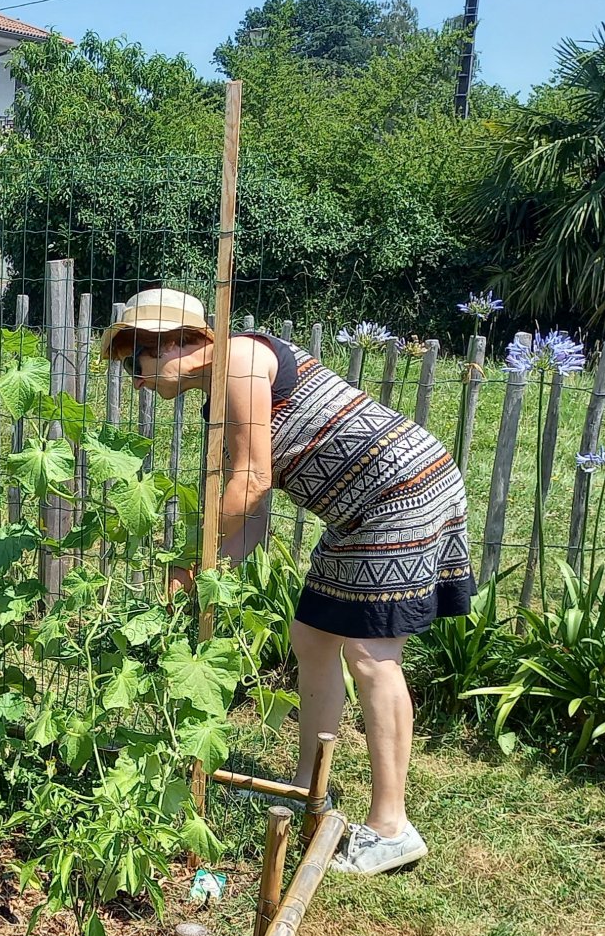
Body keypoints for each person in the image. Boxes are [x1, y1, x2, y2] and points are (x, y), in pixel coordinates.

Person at [103, 288, 474, 874]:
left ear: (173, 343)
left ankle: (391, 826)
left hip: (399, 494)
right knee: (312, 637)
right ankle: (307, 786)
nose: (135, 380)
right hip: (359, 511)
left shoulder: (243, 360)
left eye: (134, 361)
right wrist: (204, 568)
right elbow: (253, 513)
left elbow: (250, 479)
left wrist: (191, 555)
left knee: (372, 654)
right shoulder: (221, 396)